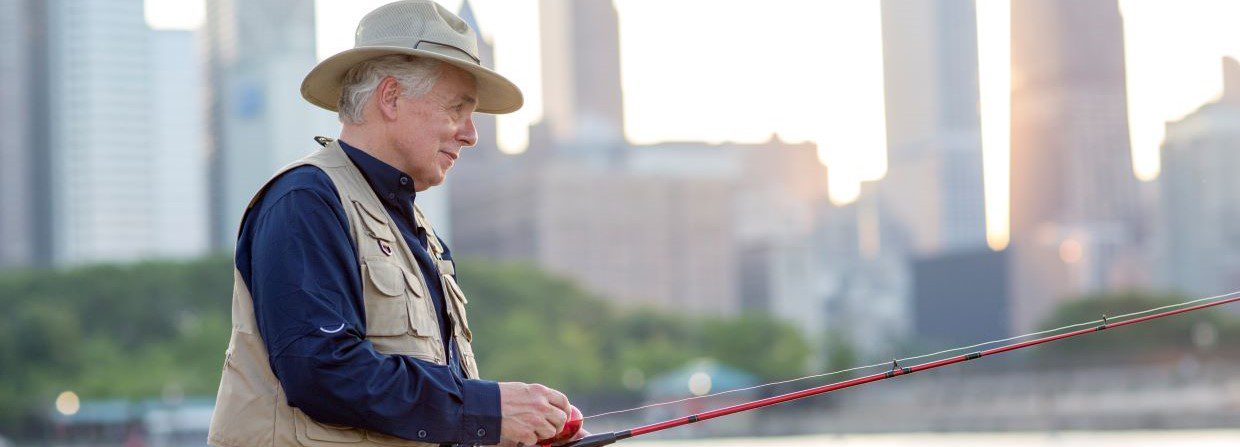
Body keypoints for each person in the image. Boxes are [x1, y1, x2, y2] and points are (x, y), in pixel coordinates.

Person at [206, 1, 583, 446]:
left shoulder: (422, 234)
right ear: (391, 97)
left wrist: (510, 429)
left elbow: (421, 408)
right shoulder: (305, 200)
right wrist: (489, 410)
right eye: (456, 109)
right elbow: (320, 369)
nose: (471, 133)